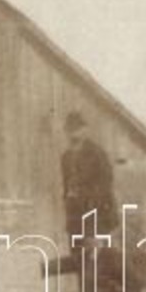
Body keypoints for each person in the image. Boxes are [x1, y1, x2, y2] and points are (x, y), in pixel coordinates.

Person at [61, 112, 116, 265]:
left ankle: (103, 288)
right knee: (78, 257)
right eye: (70, 129)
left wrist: (91, 200)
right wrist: (69, 199)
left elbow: (106, 182)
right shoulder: (65, 157)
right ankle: (84, 289)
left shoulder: (96, 153)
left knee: (99, 258)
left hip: (96, 213)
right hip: (75, 216)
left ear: (85, 130)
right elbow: (66, 185)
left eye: (77, 129)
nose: (73, 133)